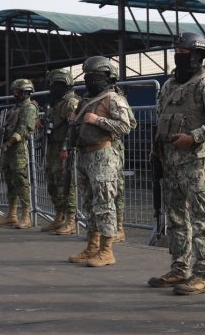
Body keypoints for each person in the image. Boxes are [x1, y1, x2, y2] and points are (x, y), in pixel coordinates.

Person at [148, 33, 205, 295]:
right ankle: (179, 268)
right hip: (169, 162)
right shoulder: (169, 85)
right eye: (176, 51)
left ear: (197, 55)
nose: (178, 55)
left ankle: (202, 274)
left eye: (183, 51)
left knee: (202, 219)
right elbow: (160, 121)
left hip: (195, 162)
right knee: (175, 219)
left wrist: (193, 137)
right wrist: (155, 153)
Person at [67, 56, 134, 268]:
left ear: (106, 76)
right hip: (85, 155)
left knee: (104, 204)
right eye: (87, 76)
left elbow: (126, 126)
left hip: (103, 156)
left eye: (94, 76)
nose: (89, 79)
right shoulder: (86, 100)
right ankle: (92, 247)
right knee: (89, 204)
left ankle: (107, 250)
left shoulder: (113, 98)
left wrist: (98, 120)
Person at [0, 78, 39, 230]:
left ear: (26, 92)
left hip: (18, 149)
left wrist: (10, 142)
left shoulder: (29, 107)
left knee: (21, 182)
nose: (14, 94)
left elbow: (24, 129)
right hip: (8, 148)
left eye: (17, 91)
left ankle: (26, 215)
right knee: (10, 182)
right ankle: (12, 214)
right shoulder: (14, 108)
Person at [41, 69, 80, 235]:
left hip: (64, 148)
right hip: (53, 147)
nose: (51, 87)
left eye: (53, 84)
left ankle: (71, 220)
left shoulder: (71, 102)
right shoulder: (57, 103)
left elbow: (73, 126)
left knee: (66, 184)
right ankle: (59, 217)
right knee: (52, 182)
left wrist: (66, 147)